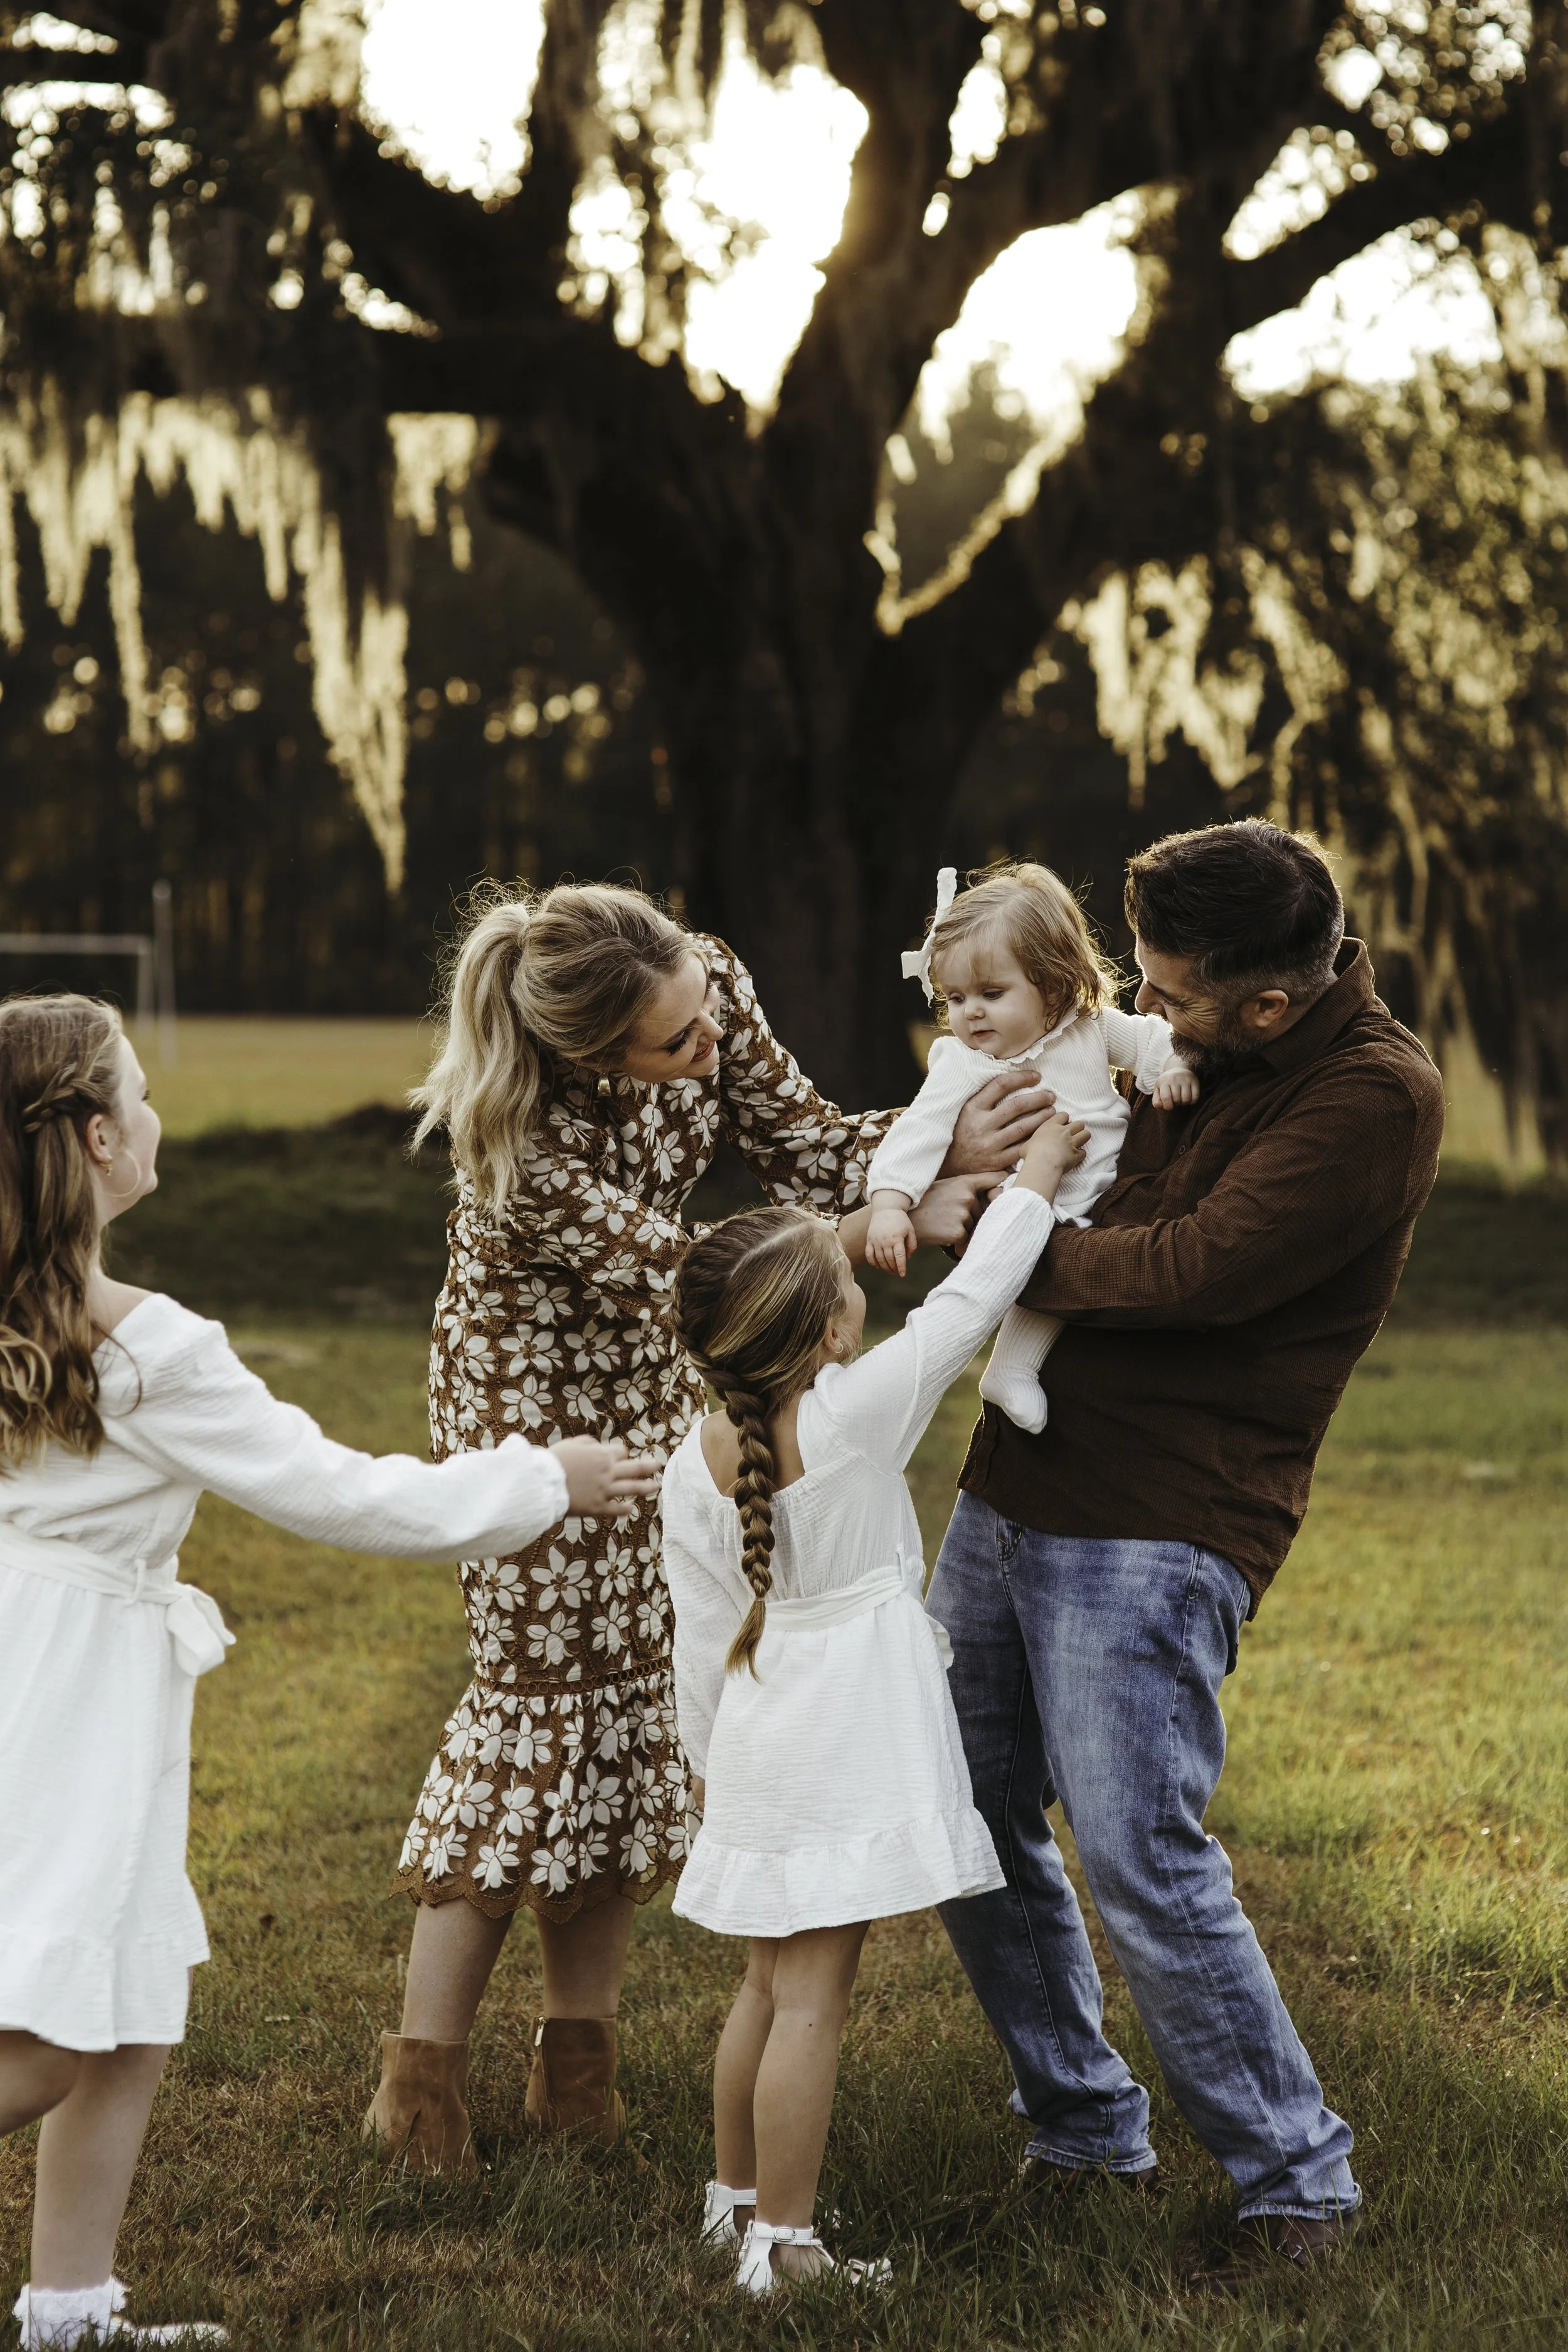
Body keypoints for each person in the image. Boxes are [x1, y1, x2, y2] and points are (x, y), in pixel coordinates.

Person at [0, 995, 651, 2352]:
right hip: (61, 1697)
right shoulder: (149, 1349)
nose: (157, 1112)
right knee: (53, 2026)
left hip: (67, 1673)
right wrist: (547, 1477)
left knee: (124, 1997)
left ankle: (70, 2308)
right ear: (102, 1139)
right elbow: (351, 1499)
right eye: (140, 1090)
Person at [370, 882, 999, 2169]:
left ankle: (575, 2067)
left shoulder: (703, 976)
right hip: (527, 1416)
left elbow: (815, 1142)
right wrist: (864, 1232)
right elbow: (682, 1264)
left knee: (626, 1716)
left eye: (705, 1017)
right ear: (595, 1052)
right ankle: (419, 2084)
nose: (706, 1044)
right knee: (531, 1715)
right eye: (677, 1045)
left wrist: (950, 1141)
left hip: (669, 1386)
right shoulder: (519, 1139)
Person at [928, 818, 1444, 2286]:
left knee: (1141, 1847)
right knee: (960, 1809)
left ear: (1267, 1001)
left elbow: (1190, 1266)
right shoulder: (1162, 1042)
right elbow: (1086, 1163)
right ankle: (1083, 2125)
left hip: (1166, 1511)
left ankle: (1299, 2184)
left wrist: (1002, 1233)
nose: (1144, 1010)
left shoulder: (1370, 1095)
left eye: (1171, 991)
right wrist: (1003, 1179)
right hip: (1017, 1475)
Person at [662, 1106, 1089, 2294]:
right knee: (813, 2001)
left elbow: (700, 1641)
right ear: (825, 1330)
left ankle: (733, 2207)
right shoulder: (847, 1419)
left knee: (765, 1983)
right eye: (842, 1279)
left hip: (757, 1738)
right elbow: (969, 1307)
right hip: (844, 1733)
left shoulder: (695, 1461)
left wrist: (710, 1773)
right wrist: (1041, 1173)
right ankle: (786, 2248)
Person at [865, 861, 1195, 1430]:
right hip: (1028, 1196)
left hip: (1109, 1186)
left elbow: (1152, 1040)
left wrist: (1172, 1068)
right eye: (957, 996)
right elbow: (920, 1129)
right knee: (1036, 1256)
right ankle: (1009, 1367)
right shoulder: (965, 1062)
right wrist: (891, 1205)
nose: (970, 1011)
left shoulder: (1087, 1026)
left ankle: (1016, 1370)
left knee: (1104, 1249)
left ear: (1054, 985)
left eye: (992, 993)